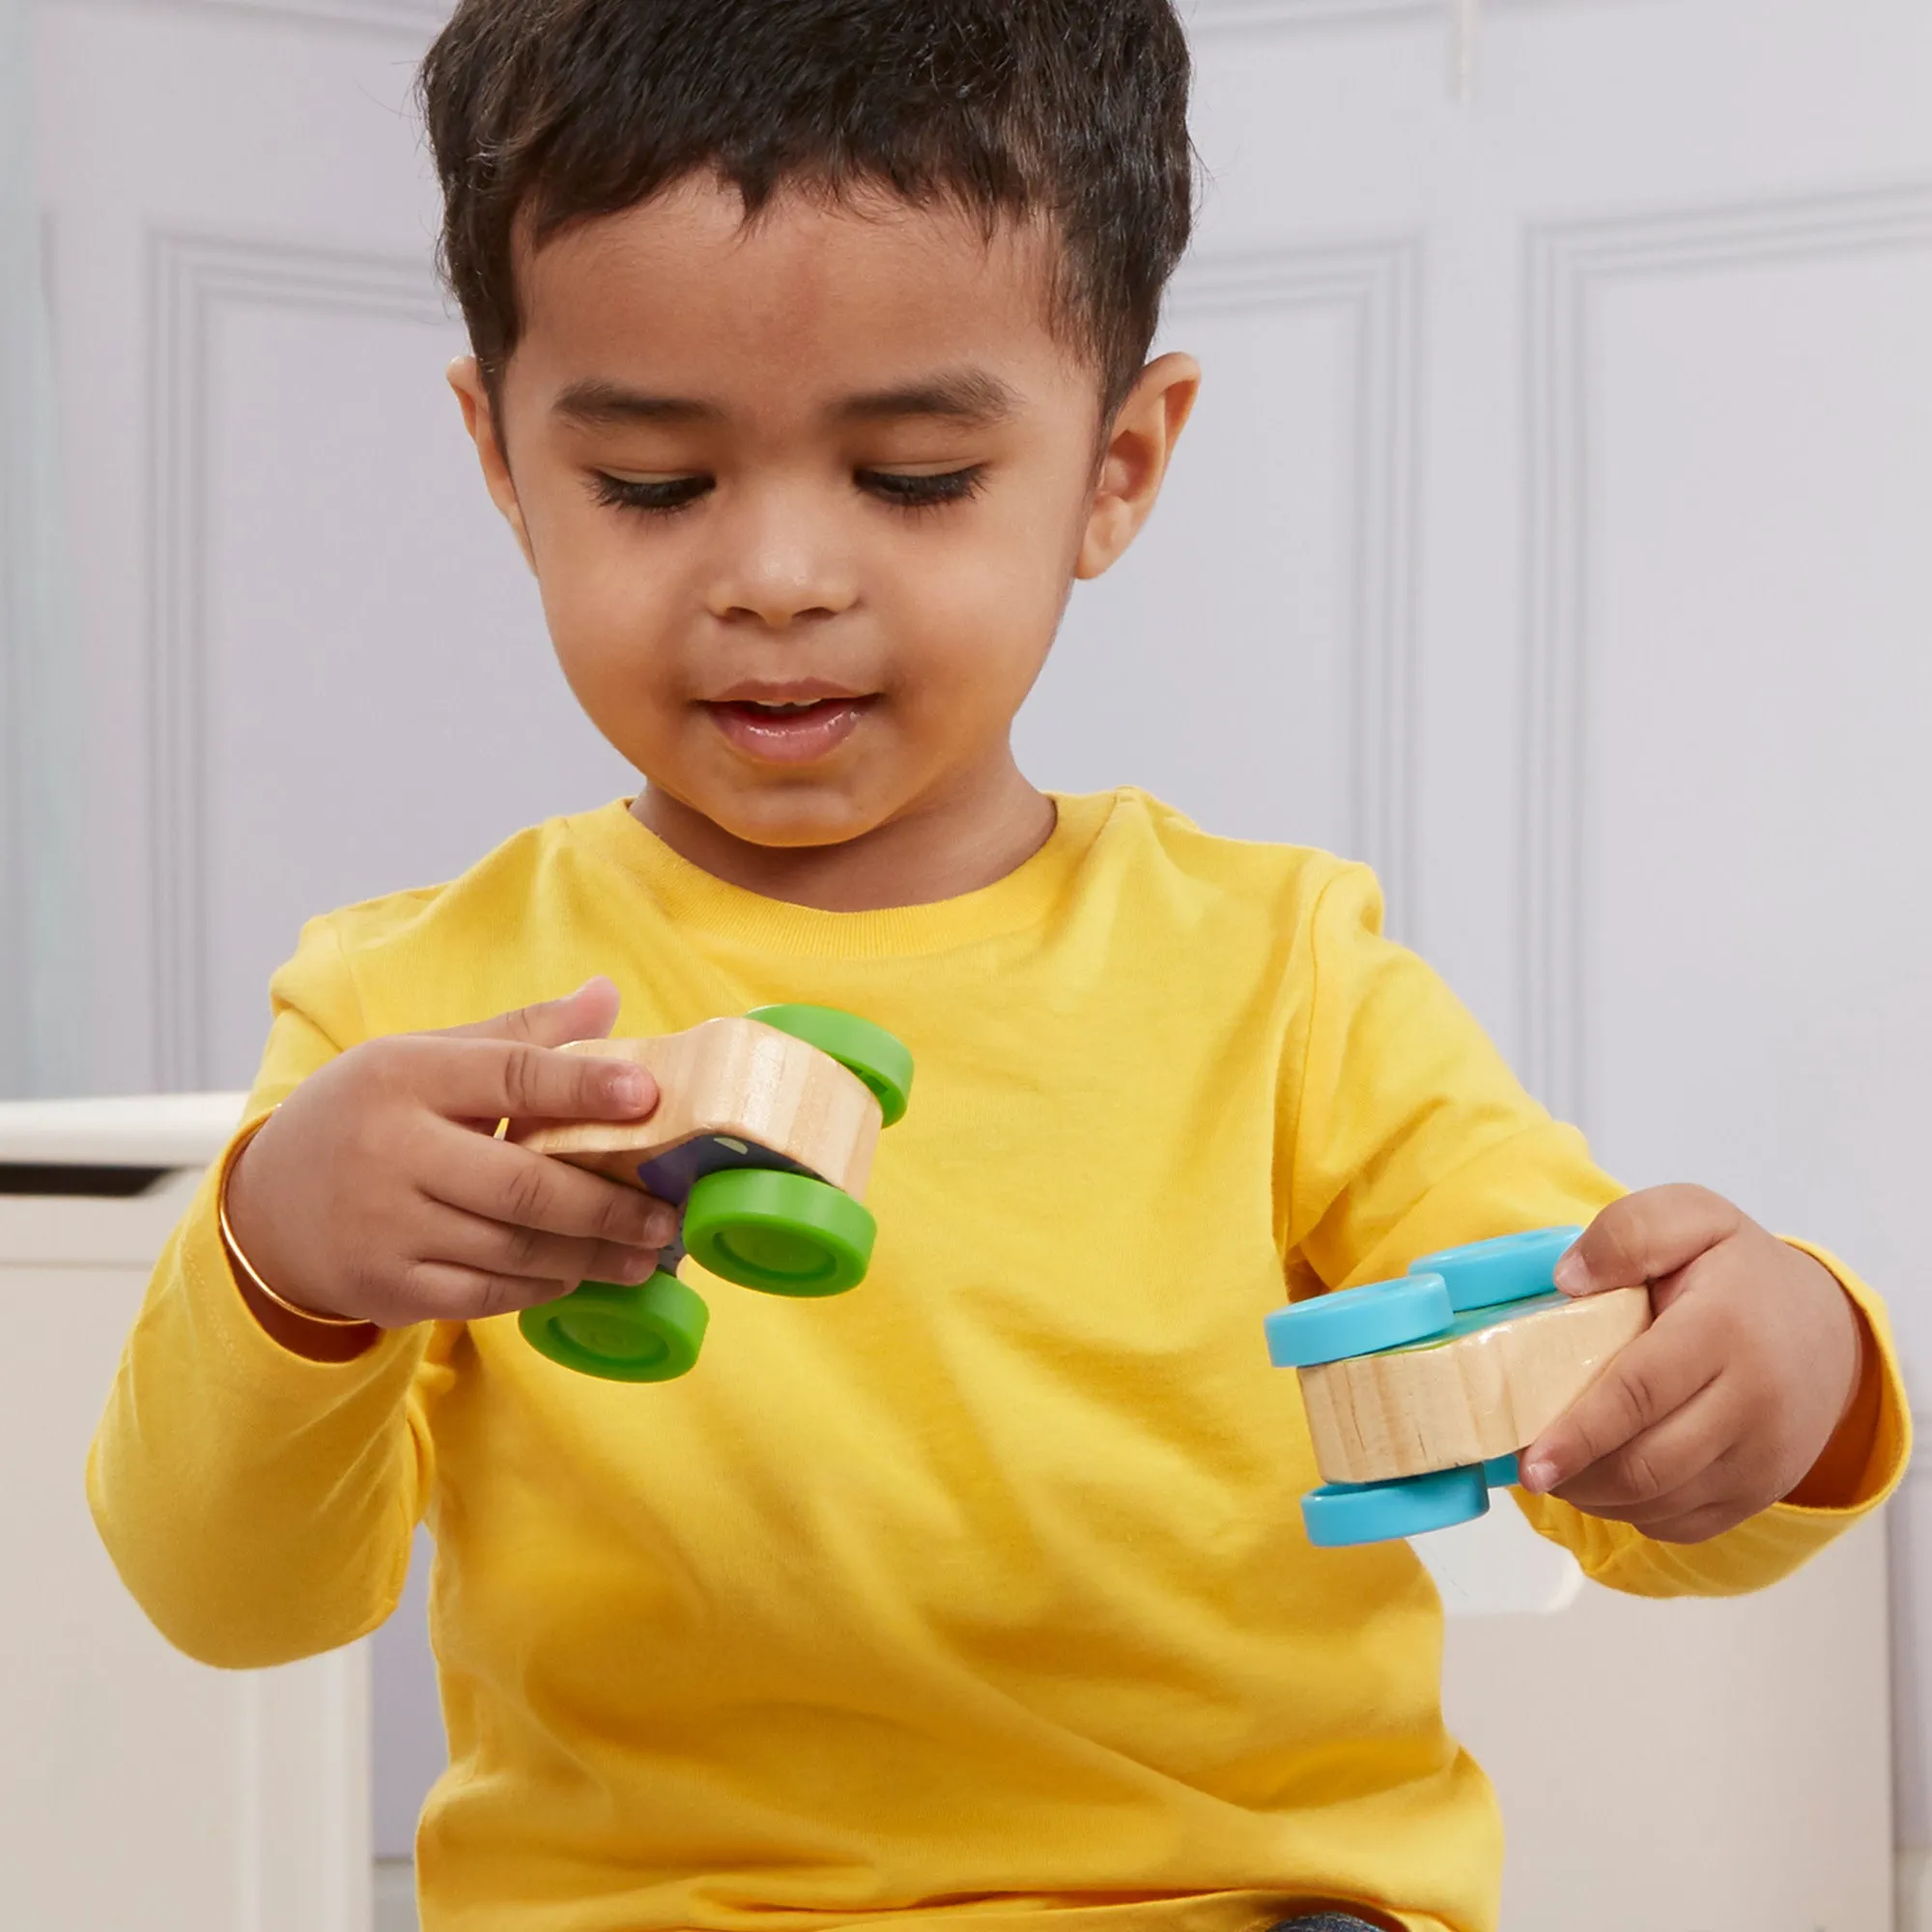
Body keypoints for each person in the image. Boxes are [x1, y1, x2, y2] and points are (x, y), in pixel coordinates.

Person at [87, 3, 1908, 1929]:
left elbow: (1590, 1411)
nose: (779, 573)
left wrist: (1778, 1362)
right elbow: (227, 1595)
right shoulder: (409, 1002)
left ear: (1117, 466)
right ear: (502, 453)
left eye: (915, 477)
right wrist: (282, 1257)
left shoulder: (1281, 974)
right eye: (649, 482)